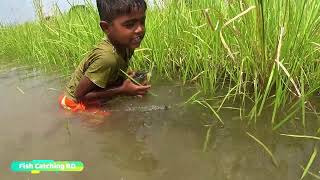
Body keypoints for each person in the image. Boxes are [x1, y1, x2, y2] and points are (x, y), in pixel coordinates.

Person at [59, 0, 151, 115]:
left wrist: (128, 81)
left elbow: (115, 71)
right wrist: (122, 91)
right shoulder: (107, 58)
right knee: (107, 121)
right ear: (106, 28)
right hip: (73, 103)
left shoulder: (127, 45)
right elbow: (80, 96)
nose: (140, 29)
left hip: (92, 92)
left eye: (142, 21)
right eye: (129, 25)